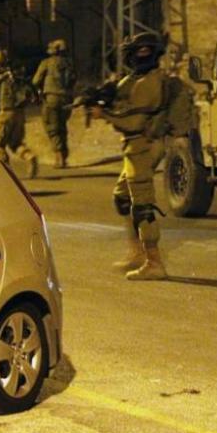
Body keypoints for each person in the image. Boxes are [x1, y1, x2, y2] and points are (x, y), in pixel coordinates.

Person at [88, 32, 169, 280]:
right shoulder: (138, 79)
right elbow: (122, 96)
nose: (141, 55)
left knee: (142, 205)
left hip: (143, 146)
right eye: (138, 51)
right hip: (135, 147)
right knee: (122, 198)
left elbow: (133, 122)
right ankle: (137, 252)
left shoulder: (149, 83)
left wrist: (104, 114)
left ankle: (154, 262)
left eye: (145, 51)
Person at [0, 49, 38, 178]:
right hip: (19, 113)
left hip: (5, 113)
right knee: (16, 144)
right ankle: (30, 156)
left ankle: (7, 172)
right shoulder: (18, 75)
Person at [32, 39, 76, 168]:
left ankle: (59, 157)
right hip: (67, 99)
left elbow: (35, 81)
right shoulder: (69, 63)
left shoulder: (46, 63)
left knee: (52, 127)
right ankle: (64, 155)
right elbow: (74, 80)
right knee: (62, 126)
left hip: (52, 98)